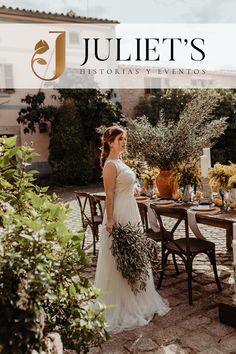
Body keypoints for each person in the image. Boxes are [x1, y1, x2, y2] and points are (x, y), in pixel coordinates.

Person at [94, 126, 170, 333]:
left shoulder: (120, 162)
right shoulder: (109, 165)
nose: (124, 142)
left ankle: (139, 298)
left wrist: (133, 188)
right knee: (120, 257)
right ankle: (123, 304)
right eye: (120, 138)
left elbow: (123, 186)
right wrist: (110, 220)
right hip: (119, 213)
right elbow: (109, 195)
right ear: (110, 142)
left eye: (125, 138)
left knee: (135, 255)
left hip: (131, 210)